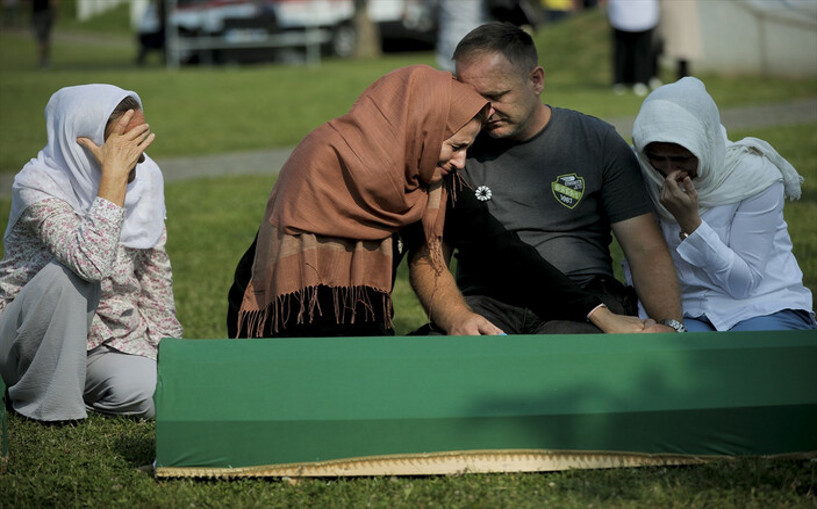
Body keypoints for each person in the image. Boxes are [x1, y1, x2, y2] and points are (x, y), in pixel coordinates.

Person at [409, 22, 684, 335]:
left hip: (587, 300)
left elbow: (644, 247)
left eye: (496, 96)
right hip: (487, 304)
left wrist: (669, 326)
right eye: (472, 99)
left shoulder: (597, 141)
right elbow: (428, 256)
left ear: (536, 80)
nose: (485, 111)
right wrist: (455, 318)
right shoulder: (455, 151)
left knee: (568, 363)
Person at [228, 65, 490, 338]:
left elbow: (487, 238)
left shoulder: (422, 168)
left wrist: (460, 318)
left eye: (467, 149)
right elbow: (304, 294)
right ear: (422, 128)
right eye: (456, 147)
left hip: (358, 322)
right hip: (287, 322)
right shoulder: (325, 158)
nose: (461, 162)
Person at [0, 84, 183, 423]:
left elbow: (155, 276)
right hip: (27, 340)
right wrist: (112, 179)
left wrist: (173, 356)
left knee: (157, 394)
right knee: (66, 276)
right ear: (81, 141)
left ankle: (79, 387)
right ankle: (44, 402)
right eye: (123, 145)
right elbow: (90, 262)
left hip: (105, 341)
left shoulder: (147, 178)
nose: (137, 157)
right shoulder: (38, 185)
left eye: (141, 141)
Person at [628, 77, 816, 332]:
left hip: (761, 305)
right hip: (684, 310)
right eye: (657, 158)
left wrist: (691, 224)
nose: (669, 170)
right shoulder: (639, 174)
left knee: (751, 354)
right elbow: (638, 259)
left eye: (682, 158)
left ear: (704, 144)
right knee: (674, 359)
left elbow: (743, 283)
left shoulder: (753, 175)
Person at [604, 0, 660, 96]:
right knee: (622, 50)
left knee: (643, 50)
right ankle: (620, 80)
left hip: (644, 11)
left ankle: (642, 79)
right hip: (620, 10)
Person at [31, 0, 58, 69]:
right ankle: (45, 59)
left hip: (37, 15)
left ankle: (43, 59)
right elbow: (54, 2)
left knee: (41, 39)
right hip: (46, 14)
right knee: (45, 38)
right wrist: (55, 13)